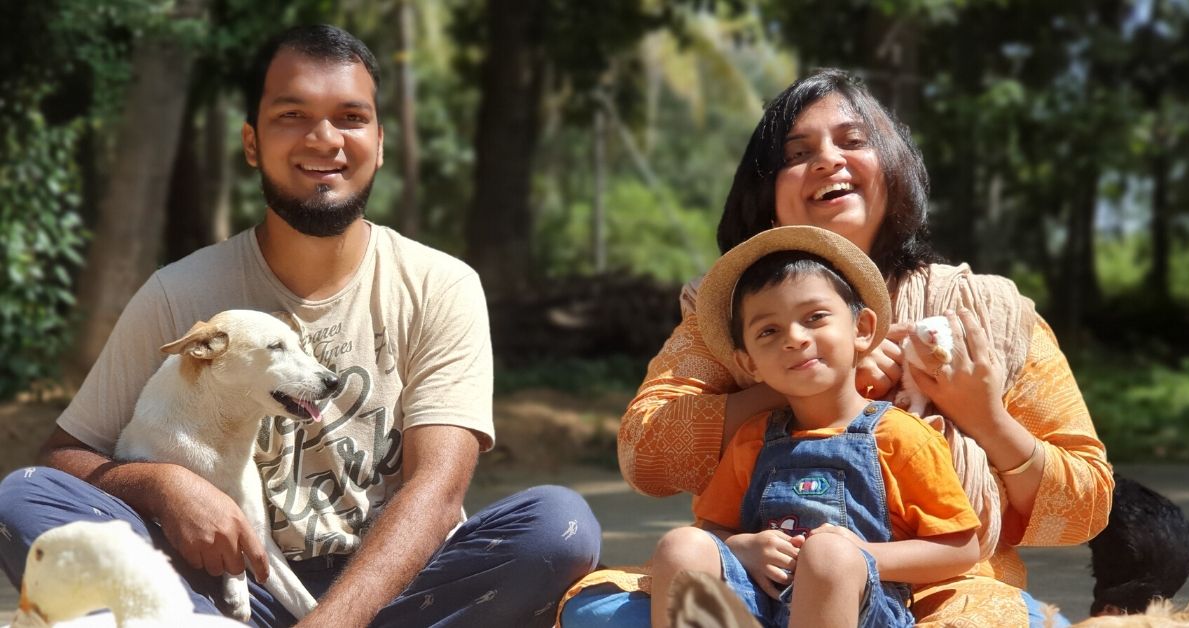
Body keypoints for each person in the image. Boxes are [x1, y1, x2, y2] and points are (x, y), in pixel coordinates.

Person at [0, 24, 600, 628]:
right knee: (20, 498)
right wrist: (162, 485)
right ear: (252, 142)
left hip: (394, 588)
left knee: (558, 526)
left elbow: (438, 491)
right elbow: (63, 459)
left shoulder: (440, 285)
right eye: (292, 114)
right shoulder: (178, 295)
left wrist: (332, 621)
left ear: (381, 142)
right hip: (225, 593)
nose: (324, 139)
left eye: (350, 117)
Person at [561, 68, 1112, 627]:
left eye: (853, 142)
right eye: (798, 153)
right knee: (600, 612)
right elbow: (646, 455)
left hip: (946, 596)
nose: (828, 160)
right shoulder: (723, 314)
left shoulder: (983, 312)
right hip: (761, 590)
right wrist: (802, 379)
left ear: (894, 172)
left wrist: (986, 418)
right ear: (766, 195)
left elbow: (1084, 509)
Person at [649, 226, 981, 627]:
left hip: (860, 610)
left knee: (827, 555)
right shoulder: (752, 440)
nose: (794, 338)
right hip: (758, 607)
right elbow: (714, 529)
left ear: (861, 330)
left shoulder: (900, 437)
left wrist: (861, 554)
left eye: (815, 317)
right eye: (768, 331)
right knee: (681, 545)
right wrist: (744, 547)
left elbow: (961, 548)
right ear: (750, 363)